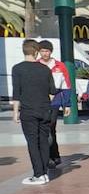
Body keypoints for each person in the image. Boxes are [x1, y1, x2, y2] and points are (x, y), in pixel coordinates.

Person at [10, 40, 56, 185]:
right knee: (43, 141)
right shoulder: (45, 69)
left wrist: (15, 112)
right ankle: (44, 173)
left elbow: (16, 93)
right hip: (44, 109)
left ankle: (38, 174)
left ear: (24, 51)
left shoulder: (17, 69)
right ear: (36, 52)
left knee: (32, 142)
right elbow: (52, 92)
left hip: (28, 111)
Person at [36, 41, 67, 164]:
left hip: (54, 101)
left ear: (51, 52)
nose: (45, 53)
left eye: (47, 51)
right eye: (42, 51)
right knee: (45, 129)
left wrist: (67, 104)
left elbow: (67, 84)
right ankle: (49, 155)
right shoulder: (36, 65)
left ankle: (54, 154)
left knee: (51, 128)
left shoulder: (59, 66)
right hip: (40, 102)